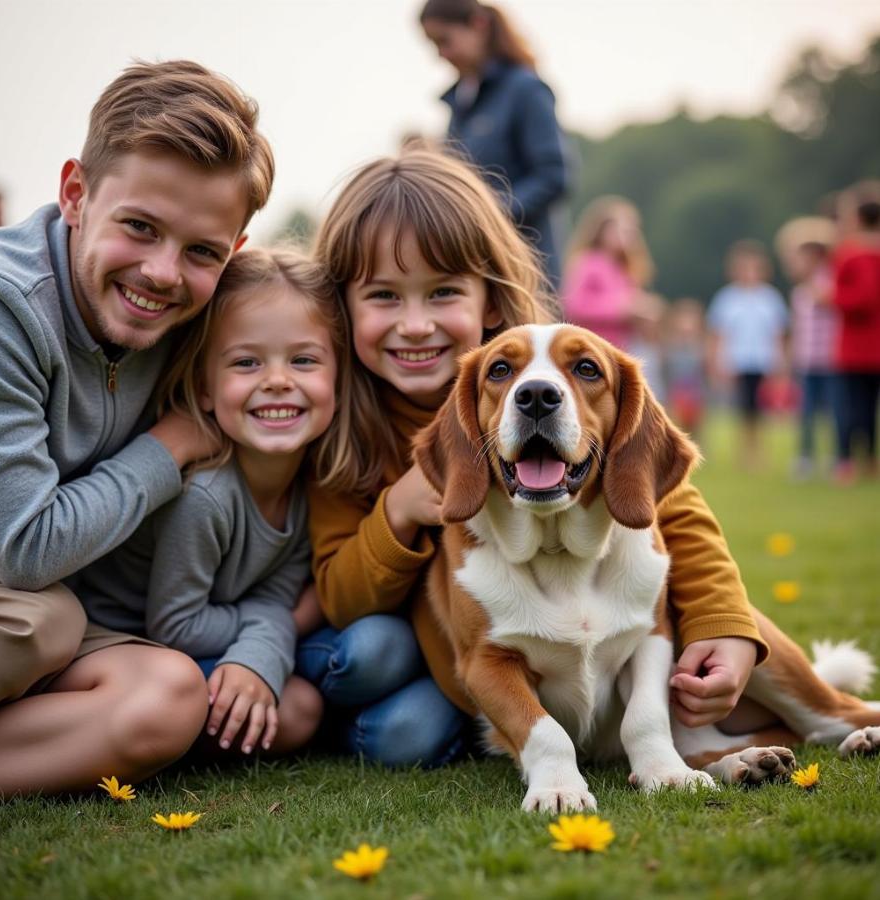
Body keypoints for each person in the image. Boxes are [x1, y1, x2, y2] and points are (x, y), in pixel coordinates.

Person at [299, 148, 769, 770]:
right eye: (384, 295)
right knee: (383, 687)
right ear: (344, 309)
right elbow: (336, 592)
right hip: (463, 653)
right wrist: (400, 508)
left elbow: (672, 510)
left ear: (489, 301)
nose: (415, 324)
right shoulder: (339, 430)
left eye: (442, 293)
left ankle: (834, 716)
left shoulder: (561, 382)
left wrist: (723, 620)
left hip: (598, 633)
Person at [0, 60, 274, 800]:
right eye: (139, 228)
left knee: (168, 694)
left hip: (25, 609)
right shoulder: (0, 304)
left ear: (233, 251)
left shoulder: (197, 315)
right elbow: (25, 549)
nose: (163, 273)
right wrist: (169, 448)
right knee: (42, 618)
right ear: (75, 193)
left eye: (202, 251)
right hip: (21, 592)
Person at [77, 247, 347, 758]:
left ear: (337, 376)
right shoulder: (206, 494)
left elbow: (275, 599)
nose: (277, 380)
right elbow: (176, 625)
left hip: (196, 644)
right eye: (246, 362)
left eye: (304, 360)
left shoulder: (311, 484)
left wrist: (262, 645)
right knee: (295, 711)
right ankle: (142, 734)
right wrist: (267, 638)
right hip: (125, 650)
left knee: (301, 710)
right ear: (204, 387)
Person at [419, 0, 568, 291]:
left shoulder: (525, 89)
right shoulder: (459, 103)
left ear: (478, 24)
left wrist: (488, 216)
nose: (442, 54)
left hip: (525, 270)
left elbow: (553, 176)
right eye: (434, 45)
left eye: (445, 40)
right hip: (475, 268)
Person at [706, 240, 789, 469]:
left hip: (763, 360)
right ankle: (744, 451)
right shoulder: (727, 299)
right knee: (743, 407)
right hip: (737, 361)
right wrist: (716, 363)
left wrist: (780, 362)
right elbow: (718, 334)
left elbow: (778, 334)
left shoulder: (770, 299)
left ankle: (760, 451)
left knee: (762, 408)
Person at [775, 217, 838, 478]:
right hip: (807, 361)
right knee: (806, 412)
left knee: (835, 412)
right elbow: (797, 331)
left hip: (831, 360)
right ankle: (806, 457)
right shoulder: (800, 292)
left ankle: (838, 456)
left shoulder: (828, 284)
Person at [830, 182, 880, 484]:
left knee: (849, 407)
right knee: (870, 409)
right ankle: (871, 462)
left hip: (856, 346)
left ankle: (846, 462)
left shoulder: (852, 254)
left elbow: (863, 296)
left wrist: (831, 298)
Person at [561, 196, 655, 352]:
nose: (625, 236)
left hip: (621, 349)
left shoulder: (626, 269)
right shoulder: (587, 261)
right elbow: (573, 305)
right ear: (602, 230)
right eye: (620, 230)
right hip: (590, 348)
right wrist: (621, 309)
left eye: (630, 231)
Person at [664, 297, 709, 443]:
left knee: (694, 426)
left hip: (696, 392)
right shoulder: (669, 345)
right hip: (676, 391)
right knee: (676, 425)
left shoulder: (701, 345)